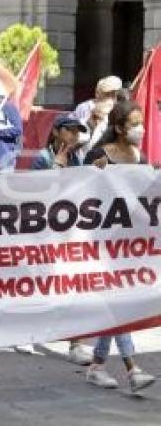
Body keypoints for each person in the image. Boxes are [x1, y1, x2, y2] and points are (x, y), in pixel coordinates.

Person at [83, 100, 155, 392]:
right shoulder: (99, 155)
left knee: (118, 302)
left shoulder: (139, 157)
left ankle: (97, 365)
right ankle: (132, 367)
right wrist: (92, 172)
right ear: (118, 128)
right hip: (100, 243)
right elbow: (75, 191)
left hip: (129, 245)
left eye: (140, 122)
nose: (140, 129)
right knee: (117, 302)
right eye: (133, 124)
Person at [27, 115, 94, 365]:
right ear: (56, 132)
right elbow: (36, 193)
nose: (74, 136)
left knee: (74, 285)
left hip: (72, 233)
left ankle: (76, 342)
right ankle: (28, 330)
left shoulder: (79, 159)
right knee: (42, 285)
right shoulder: (42, 159)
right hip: (46, 234)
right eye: (69, 131)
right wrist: (55, 167)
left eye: (77, 132)